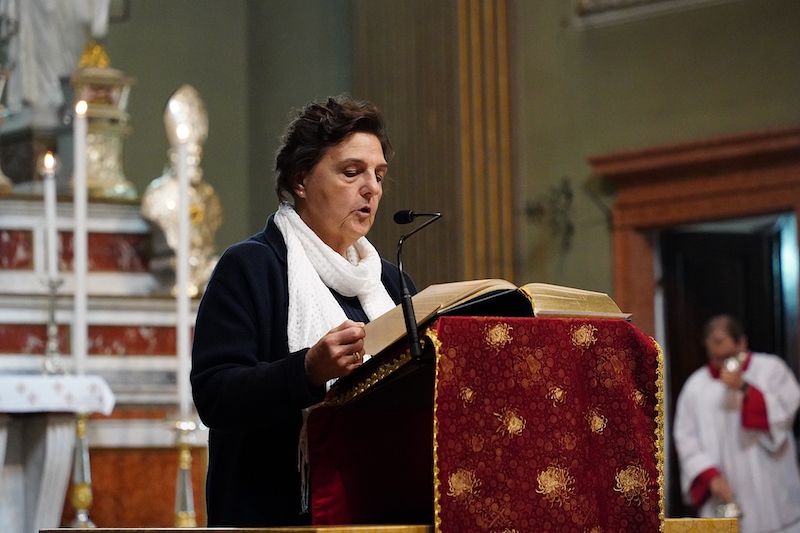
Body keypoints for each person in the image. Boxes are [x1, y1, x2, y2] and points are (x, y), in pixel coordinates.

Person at [190, 95, 415, 526]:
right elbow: (214, 395)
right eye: (351, 172)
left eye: (378, 174)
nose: (371, 188)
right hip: (277, 516)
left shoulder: (391, 283)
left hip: (379, 510)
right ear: (300, 180)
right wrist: (307, 370)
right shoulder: (251, 267)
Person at [674, 314, 800, 533]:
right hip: (726, 493)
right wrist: (710, 476)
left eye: (729, 357)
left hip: (771, 488)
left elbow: (785, 414)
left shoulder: (771, 369)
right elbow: (685, 437)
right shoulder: (695, 386)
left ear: (742, 343)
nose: (723, 364)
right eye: (716, 358)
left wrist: (744, 387)